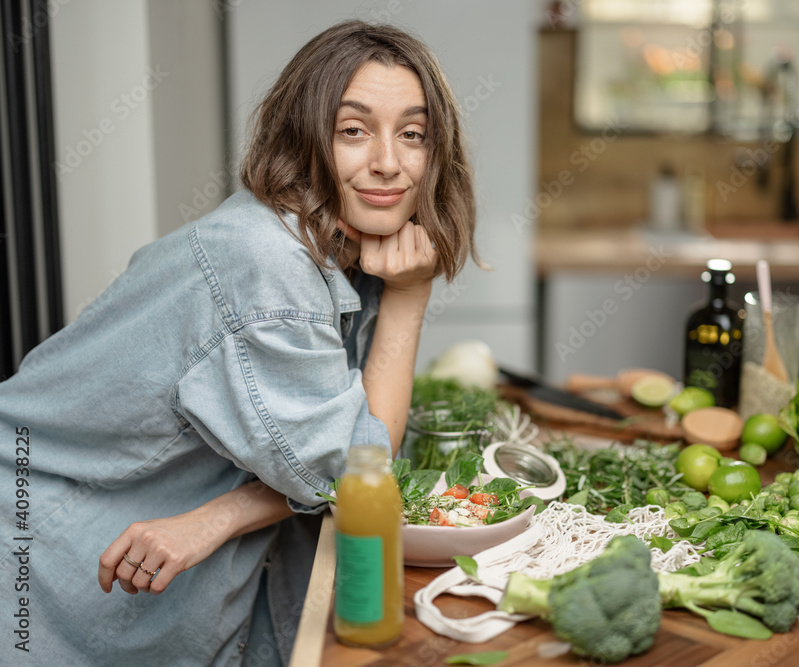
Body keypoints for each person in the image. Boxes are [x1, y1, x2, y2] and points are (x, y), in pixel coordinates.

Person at [0, 20, 477, 666]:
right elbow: (358, 464)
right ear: (305, 137)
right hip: (37, 550)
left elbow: (327, 449)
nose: (388, 161)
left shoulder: (333, 243)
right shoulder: (266, 262)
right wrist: (411, 297)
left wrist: (221, 514)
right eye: (353, 130)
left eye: (413, 134)